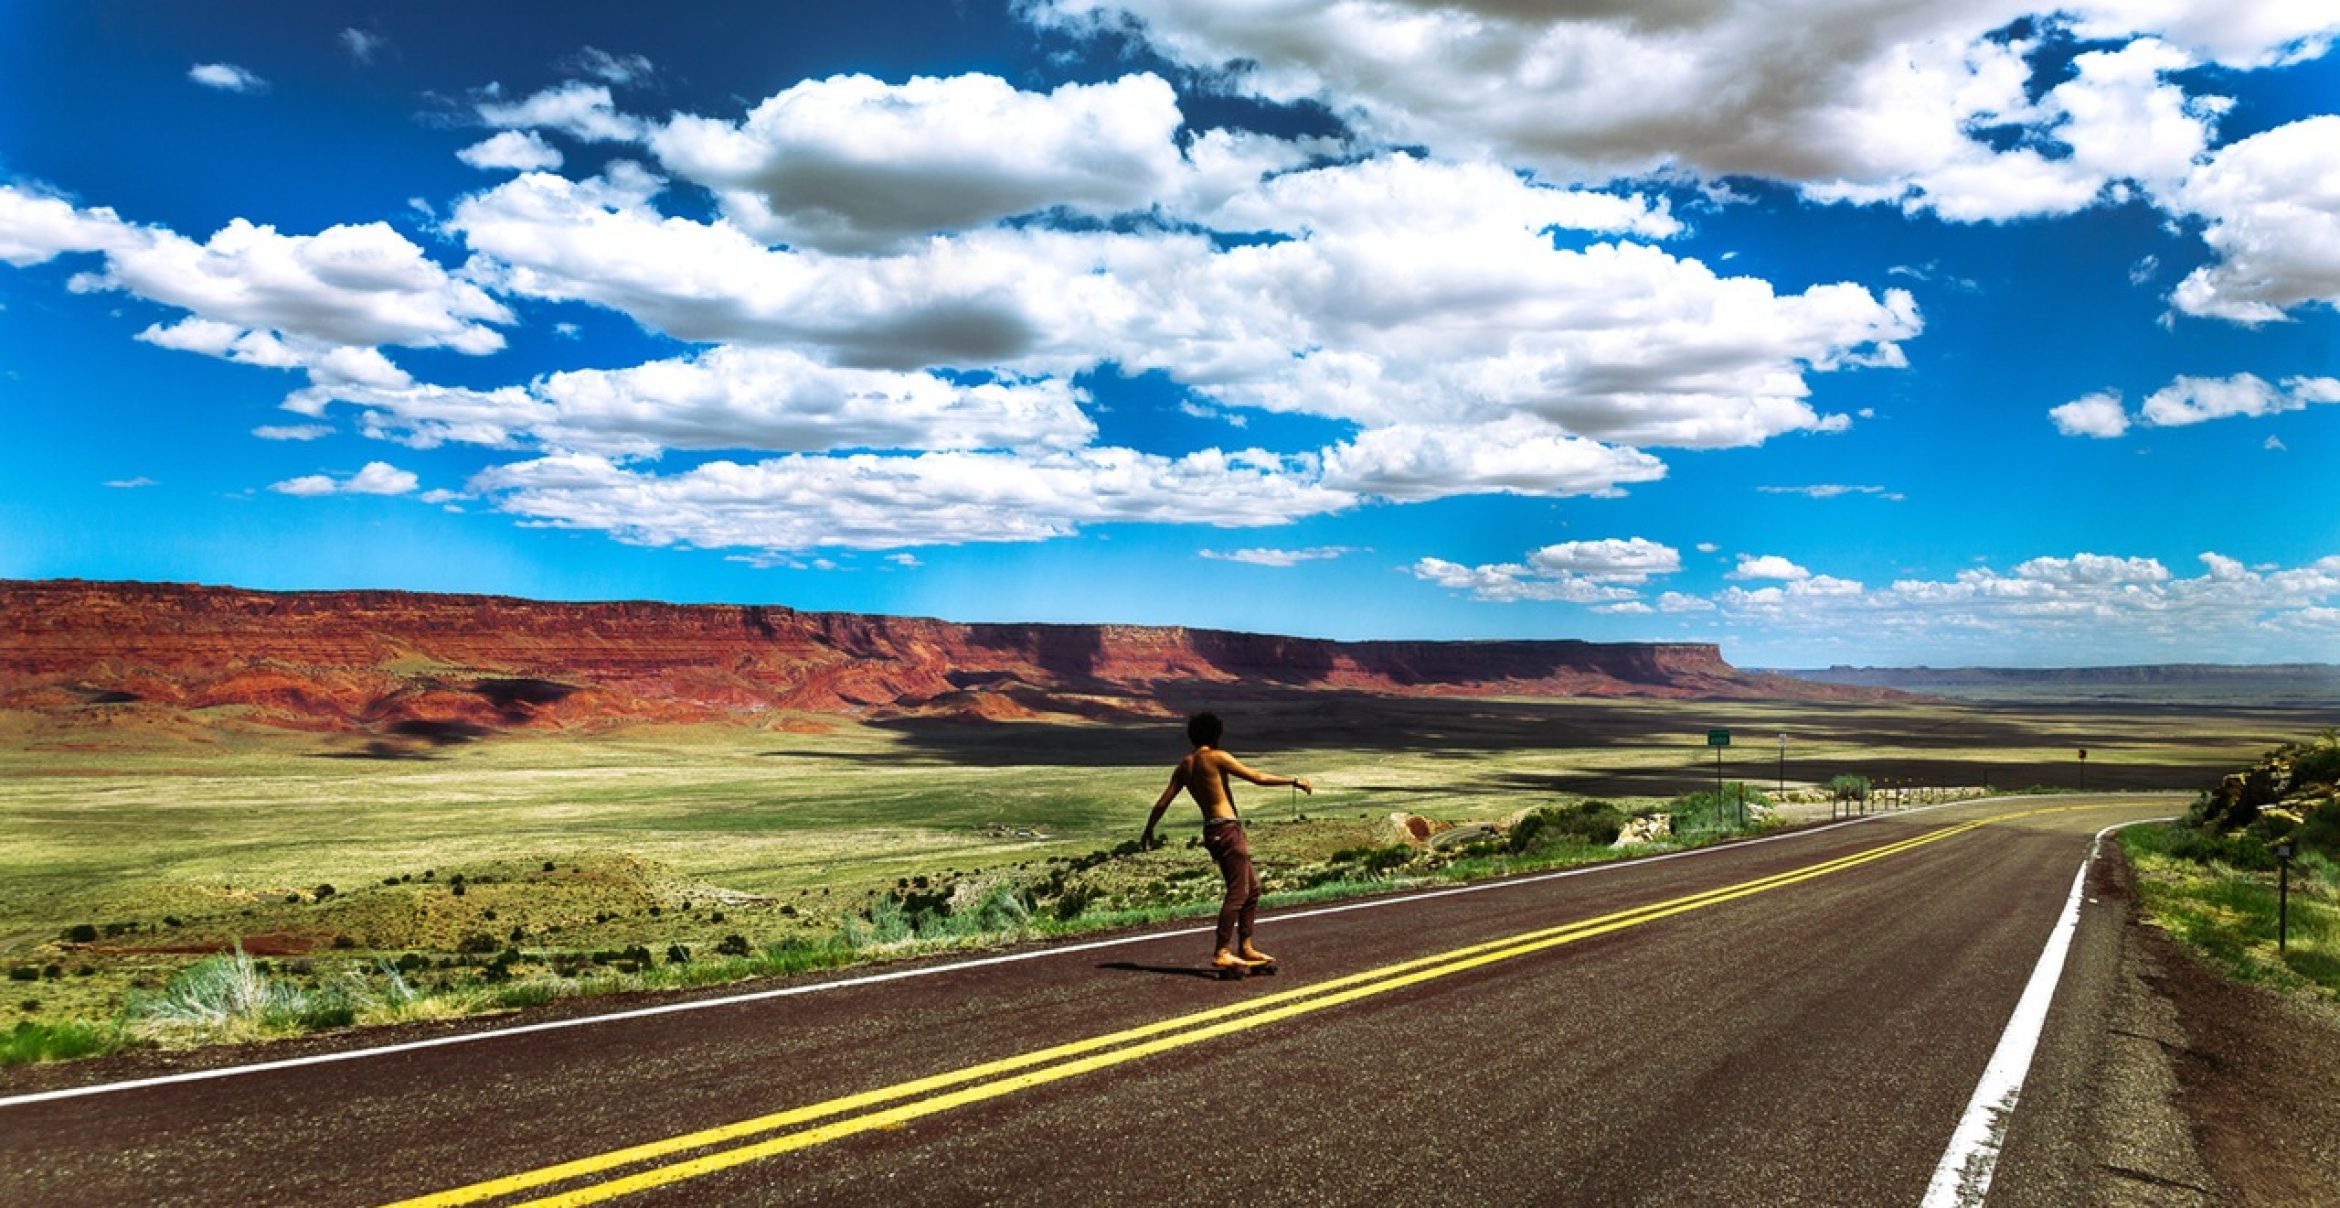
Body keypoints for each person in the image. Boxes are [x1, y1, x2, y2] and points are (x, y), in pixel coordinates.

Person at [1141, 711, 1312, 974]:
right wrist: (1294, 780)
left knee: (1252, 889)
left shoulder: (1185, 765)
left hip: (1213, 831)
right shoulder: (1217, 757)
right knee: (1238, 892)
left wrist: (1148, 830)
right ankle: (1222, 951)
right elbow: (1258, 777)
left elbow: (1163, 802)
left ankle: (1245, 946)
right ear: (1216, 734)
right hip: (1227, 830)